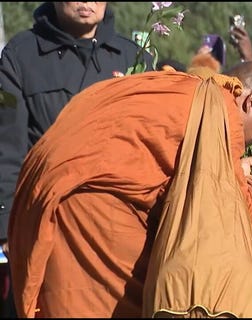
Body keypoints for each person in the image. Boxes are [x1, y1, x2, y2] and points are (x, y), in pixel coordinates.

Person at [8, 61, 252, 318]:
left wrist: (231, 171)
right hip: (92, 217)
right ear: (251, 101)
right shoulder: (216, 110)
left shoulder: (184, 87)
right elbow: (214, 220)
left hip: (61, 195)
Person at [0, 2, 153, 316]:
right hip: (46, 225)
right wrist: (6, 228)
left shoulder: (134, 58)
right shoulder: (21, 56)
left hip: (116, 235)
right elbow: (7, 147)